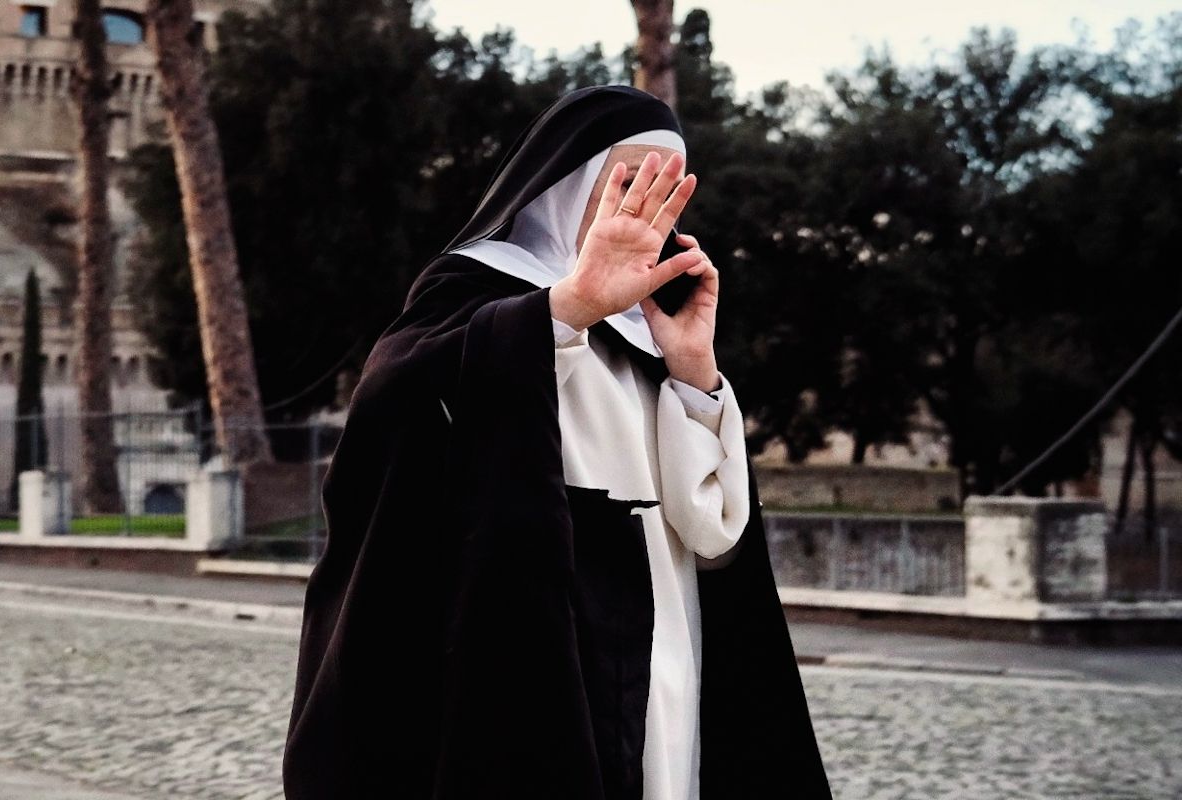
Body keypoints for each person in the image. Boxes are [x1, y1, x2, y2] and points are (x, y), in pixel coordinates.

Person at [282, 85, 833, 800]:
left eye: (666, 193)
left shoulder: (650, 333)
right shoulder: (473, 294)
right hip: (538, 654)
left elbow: (712, 532)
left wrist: (695, 373)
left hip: (669, 649)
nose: (646, 211)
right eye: (628, 183)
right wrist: (566, 309)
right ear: (568, 184)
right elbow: (396, 410)